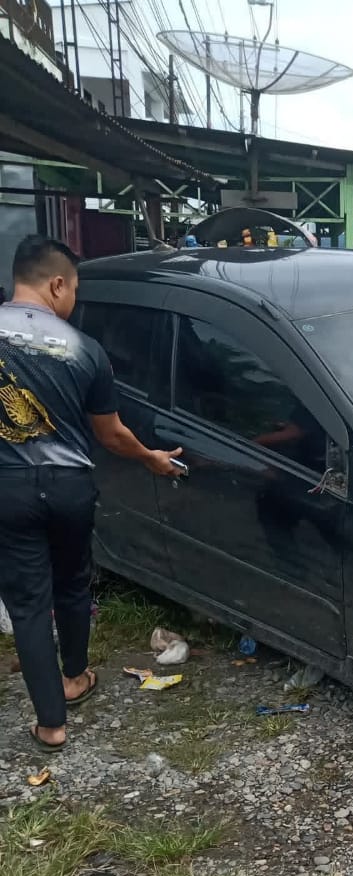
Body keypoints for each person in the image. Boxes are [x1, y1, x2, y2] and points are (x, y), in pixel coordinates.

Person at [0, 235, 182, 751]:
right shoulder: (84, 349)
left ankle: (51, 725)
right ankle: (75, 678)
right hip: (69, 488)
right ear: (56, 283)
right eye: (74, 289)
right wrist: (151, 458)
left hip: (8, 487)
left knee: (29, 603)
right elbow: (112, 434)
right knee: (72, 586)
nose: (73, 300)